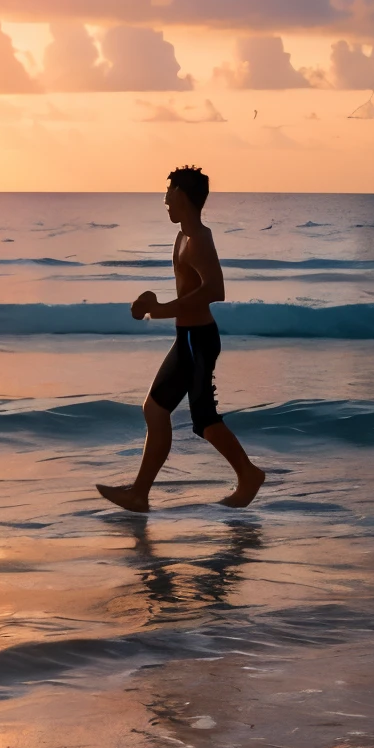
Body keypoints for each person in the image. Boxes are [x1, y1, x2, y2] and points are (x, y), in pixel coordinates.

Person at [98, 166, 266, 513]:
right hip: (187, 339)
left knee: (202, 419)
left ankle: (248, 475)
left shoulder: (199, 240)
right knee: (156, 410)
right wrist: (151, 303)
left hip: (198, 341)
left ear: (184, 197)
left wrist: (159, 310)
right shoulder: (182, 237)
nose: (165, 200)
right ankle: (139, 493)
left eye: (170, 193)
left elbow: (215, 289)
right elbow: (188, 288)